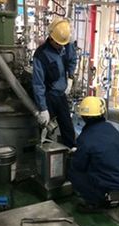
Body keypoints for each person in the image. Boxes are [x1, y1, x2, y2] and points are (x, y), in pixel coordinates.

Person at [68, 96, 119, 212]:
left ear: (83, 117)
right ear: (102, 112)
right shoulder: (111, 129)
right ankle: (114, 197)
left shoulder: (85, 138)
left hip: (106, 186)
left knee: (73, 171)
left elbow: (79, 165)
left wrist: (74, 154)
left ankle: (94, 202)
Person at [32, 18, 77, 149]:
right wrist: (43, 108)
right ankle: (44, 154)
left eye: (63, 44)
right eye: (58, 44)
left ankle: (71, 151)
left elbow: (72, 60)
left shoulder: (66, 44)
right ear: (51, 38)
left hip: (61, 95)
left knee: (67, 126)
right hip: (48, 96)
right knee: (45, 128)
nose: (61, 46)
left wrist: (70, 77)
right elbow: (38, 83)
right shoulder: (41, 55)